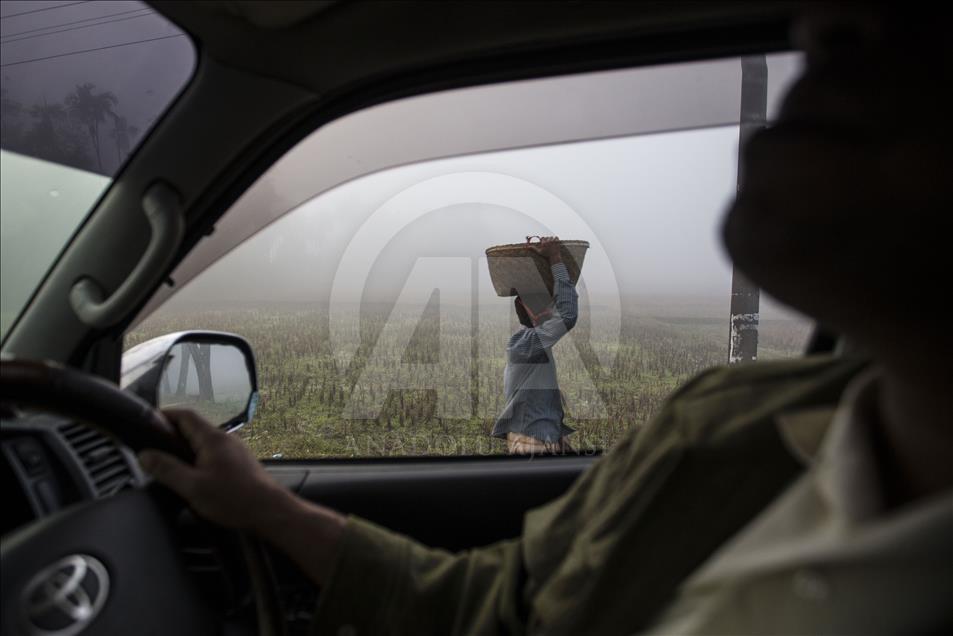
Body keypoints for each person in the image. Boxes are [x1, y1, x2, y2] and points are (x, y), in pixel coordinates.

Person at [139, 4, 952, 634]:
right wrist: (267, 506)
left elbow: (561, 314)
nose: (820, 25)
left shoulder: (549, 335)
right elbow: (496, 610)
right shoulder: (718, 425)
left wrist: (557, 277)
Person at [490, 236, 578, 454]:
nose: (552, 310)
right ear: (530, 311)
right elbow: (568, 315)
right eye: (547, 305)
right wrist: (555, 258)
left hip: (541, 435)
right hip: (532, 442)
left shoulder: (529, 342)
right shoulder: (527, 344)